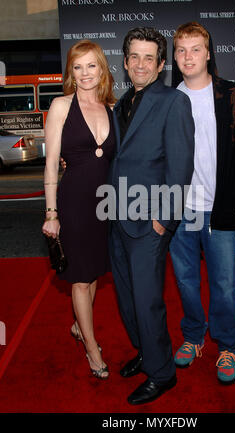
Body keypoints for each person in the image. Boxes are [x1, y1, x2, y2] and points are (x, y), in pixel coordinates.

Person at [109, 27, 195, 404]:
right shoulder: (120, 103)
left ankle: (162, 374)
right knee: (127, 298)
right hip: (115, 216)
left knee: (147, 300)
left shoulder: (172, 102)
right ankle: (147, 353)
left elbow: (181, 168)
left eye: (149, 58)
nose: (141, 64)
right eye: (134, 57)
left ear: (161, 65)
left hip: (149, 222)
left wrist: (165, 221)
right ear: (125, 62)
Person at [169, 22, 235, 384]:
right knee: (186, 282)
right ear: (174, 56)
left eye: (195, 49)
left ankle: (228, 346)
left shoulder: (231, 95)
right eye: (181, 50)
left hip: (218, 209)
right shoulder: (168, 99)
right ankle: (193, 337)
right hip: (180, 210)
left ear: (208, 53)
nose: (188, 56)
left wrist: (229, 206)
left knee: (223, 283)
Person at [42, 40, 116, 379]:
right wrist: (52, 214)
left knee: (95, 271)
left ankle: (77, 326)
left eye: (91, 66)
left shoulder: (111, 107)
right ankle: (91, 348)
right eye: (77, 67)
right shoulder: (60, 106)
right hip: (72, 204)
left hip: (105, 204)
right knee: (81, 279)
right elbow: (50, 167)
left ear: (101, 68)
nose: (85, 73)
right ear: (70, 72)